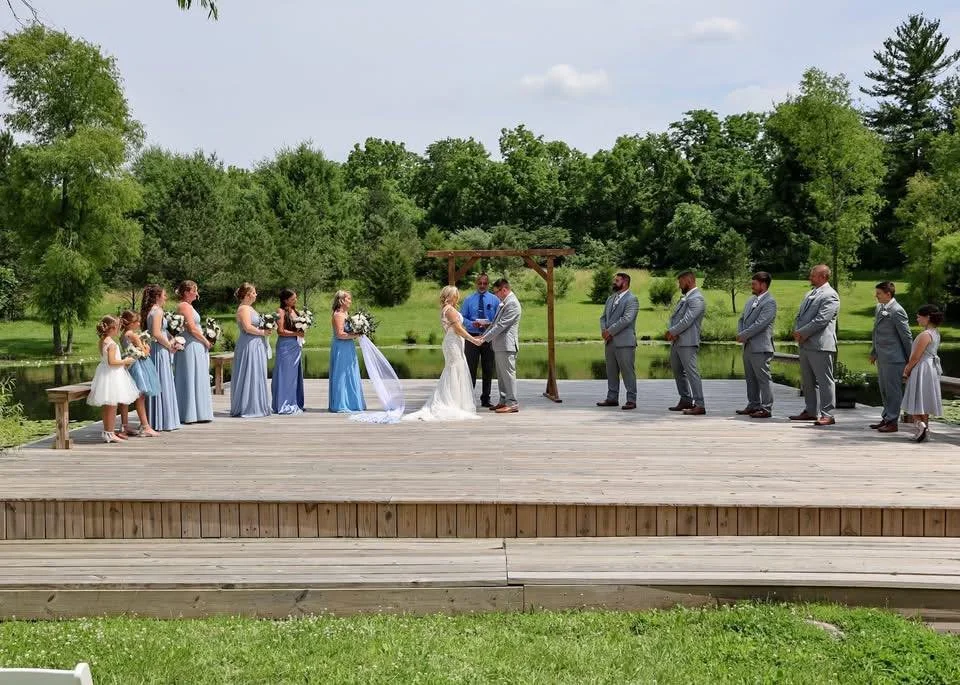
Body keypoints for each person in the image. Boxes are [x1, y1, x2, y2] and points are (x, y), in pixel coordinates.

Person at [403, 286, 481, 422]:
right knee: (454, 370)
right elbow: (457, 329)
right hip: (453, 343)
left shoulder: (447, 309)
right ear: (449, 296)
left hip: (454, 342)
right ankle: (451, 402)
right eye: (455, 295)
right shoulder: (450, 310)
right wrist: (473, 339)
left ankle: (456, 401)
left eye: (457, 295)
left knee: (455, 369)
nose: (457, 298)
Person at [789, 265, 840, 427]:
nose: (810, 277)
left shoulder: (831, 295)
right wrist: (797, 331)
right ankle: (810, 410)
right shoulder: (810, 293)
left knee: (825, 381)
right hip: (805, 344)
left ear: (823, 276)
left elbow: (822, 319)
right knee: (807, 380)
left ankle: (828, 414)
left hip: (820, 345)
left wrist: (802, 333)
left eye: (813, 275)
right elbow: (801, 316)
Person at [86, 315, 140, 444]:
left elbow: (106, 360)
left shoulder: (102, 340)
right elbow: (112, 362)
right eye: (118, 327)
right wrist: (125, 360)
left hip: (105, 374)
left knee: (108, 406)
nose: (119, 330)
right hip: (112, 375)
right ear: (113, 328)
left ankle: (108, 431)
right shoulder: (112, 344)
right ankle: (109, 433)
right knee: (112, 405)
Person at [869, 281, 912, 433]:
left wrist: (911, 360)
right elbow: (876, 332)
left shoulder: (897, 310)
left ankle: (893, 422)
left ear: (888, 294)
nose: (876, 296)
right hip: (882, 357)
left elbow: (906, 337)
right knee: (884, 389)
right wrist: (874, 352)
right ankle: (886, 417)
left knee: (893, 390)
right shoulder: (880, 308)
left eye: (879, 293)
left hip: (895, 358)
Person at [474, 278, 522, 413]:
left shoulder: (512, 304)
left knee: (508, 375)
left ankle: (512, 403)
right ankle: (503, 401)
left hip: (507, 345)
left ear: (504, 290)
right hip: (500, 345)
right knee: (501, 376)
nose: (496, 295)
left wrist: (484, 339)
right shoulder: (505, 302)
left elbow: (501, 326)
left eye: (496, 292)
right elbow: (495, 323)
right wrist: (483, 336)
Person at [735, 272, 778, 419]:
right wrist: (741, 333)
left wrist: (744, 335)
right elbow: (741, 319)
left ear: (763, 285)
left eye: (754, 284)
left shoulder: (770, 302)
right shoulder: (751, 300)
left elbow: (761, 324)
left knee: (763, 378)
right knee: (750, 377)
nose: (751, 286)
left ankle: (766, 408)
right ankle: (753, 404)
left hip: (761, 347)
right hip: (748, 345)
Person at [596, 272, 639, 410]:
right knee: (611, 371)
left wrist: (610, 331)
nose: (614, 282)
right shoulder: (610, 299)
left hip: (625, 342)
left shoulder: (632, 299)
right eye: (615, 280)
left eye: (617, 280)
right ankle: (612, 398)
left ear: (625, 282)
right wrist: (604, 331)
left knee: (627, 371)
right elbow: (603, 317)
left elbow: (627, 319)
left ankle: (631, 400)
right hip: (610, 342)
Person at [901, 304, 944, 443]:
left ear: (927, 317)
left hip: (922, 368)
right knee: (923, 400)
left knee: (915, 398)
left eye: (919, 316)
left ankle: (921, 425)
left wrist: (906, 370)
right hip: (930, 368)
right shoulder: (936, 333)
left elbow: (915, 357)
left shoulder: (925, 335)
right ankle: (925, 431)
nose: (917, 319)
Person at [174, 280, 214, 424]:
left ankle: (199, 411)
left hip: (195, 345)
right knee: (190, 375)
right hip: (190, 345)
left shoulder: (189, 306)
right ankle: (188, 412)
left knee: (198, 375)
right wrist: (205, 340)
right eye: (194, 291)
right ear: (186, 292)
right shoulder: (184, 306)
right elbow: (191, 328)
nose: (197, 294)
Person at [666, 270, 706, 415]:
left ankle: (700, 404)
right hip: (677, 341)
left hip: (688, 342)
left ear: (689, 281)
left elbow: (688, 320)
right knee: (678, 371)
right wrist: (672, 331)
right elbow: (675, 318)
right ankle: (685, 399)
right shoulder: (685, 298)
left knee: (691, 373)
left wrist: (673, 332)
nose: (679, 285)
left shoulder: (697, 299)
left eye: (681, 282)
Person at [230, 282, 272, 418]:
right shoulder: (243, 309)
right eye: (254, 292)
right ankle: (248, 406)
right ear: (247, 295)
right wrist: (262, 332)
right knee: (249, 372)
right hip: (248, 344)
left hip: (257, 344)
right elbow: (247, 327)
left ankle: (257, 404)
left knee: (257, 372)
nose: (256, 295)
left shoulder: (250, 308)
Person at [142, 284, 180, 432]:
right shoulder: (157, 311)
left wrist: (171, 338)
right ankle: (162, 419)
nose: (166, 297)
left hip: (157, 348)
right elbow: (157, 334)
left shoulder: (151, 311)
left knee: (161, 381)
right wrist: (170, 345)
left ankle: (157, 418)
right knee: (162, 381)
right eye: (164, 295)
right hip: (159, 350)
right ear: (157, 297)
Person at [117, 311, 161, 437]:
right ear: (131, 323)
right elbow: (145, 353)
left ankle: (124, 426)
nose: (139, 324)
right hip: (138, 367)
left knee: (125, 398)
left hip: (128, 366)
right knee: (140, 397)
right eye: (137, 322)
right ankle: (145, 426)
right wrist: (146, 347)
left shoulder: (123, 335)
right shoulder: (132, 335)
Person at [460, 273, 498, 407]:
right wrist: (472, 324)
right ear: (476, 283)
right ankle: (469, 398)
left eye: (485, 283)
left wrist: (490, 324)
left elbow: (499, 319)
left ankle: (486, 398)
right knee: (470, 369)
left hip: (488, 337)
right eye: (480, 283)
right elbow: (462, 318)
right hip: (472, 336)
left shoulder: (495, 300)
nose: (482, 285)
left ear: (488, 284)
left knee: (488, 368)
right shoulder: (468, 300)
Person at [329, 290, 366, 412]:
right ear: (342, 300)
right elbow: (340, 334)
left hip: (348, 346)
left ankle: (352, 402)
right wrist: (356, 335)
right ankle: (342, 403)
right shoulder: (338, 315)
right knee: (342, 374)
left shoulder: (346, 313)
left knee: (350, 373)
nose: (350, 301)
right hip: (341, 347)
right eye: (348, 299)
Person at [273, 287, 306, 415]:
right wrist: (296, 333)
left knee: (295, 376)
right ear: (285, 300)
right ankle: (284, 403)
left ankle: (295, 402)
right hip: (285, 347)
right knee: (286, 375)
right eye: (293, 299)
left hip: (296, 346)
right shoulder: (280, 311)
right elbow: (280, 331)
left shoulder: (295, 311)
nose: (295, 300)